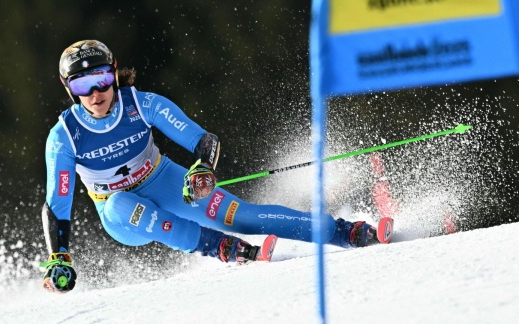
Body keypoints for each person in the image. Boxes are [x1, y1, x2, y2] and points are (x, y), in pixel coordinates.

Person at [40, 40, 378, 293]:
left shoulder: (142, 104)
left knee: (245, 217)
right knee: (119, 203)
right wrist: (60, 256)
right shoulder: (65, 137)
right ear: (68, 88)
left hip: (166, 183)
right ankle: (217, 246)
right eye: (82, 85)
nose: (96, 93)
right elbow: (58, 203)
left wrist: (202, 168)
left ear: (113, 73)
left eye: (100, 78)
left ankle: (342, 231)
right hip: (121, 216)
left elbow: (203, 140)